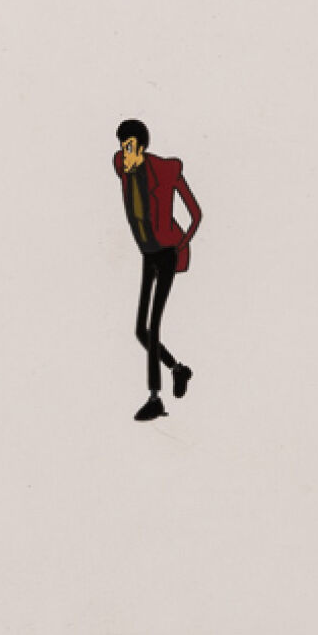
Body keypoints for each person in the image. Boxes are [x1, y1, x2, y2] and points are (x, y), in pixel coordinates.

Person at [112, 119, 201, 421]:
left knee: (153, 325)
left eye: (130, 147)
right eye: (122, 146)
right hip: (147, 256)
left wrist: (179, 245)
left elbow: (196, 214)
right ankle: (179, 369)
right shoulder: (122, 167)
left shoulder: (165, 171)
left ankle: (155, 398)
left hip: (165, 255)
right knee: (141, 330)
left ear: (142, 147)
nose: (124, 153)